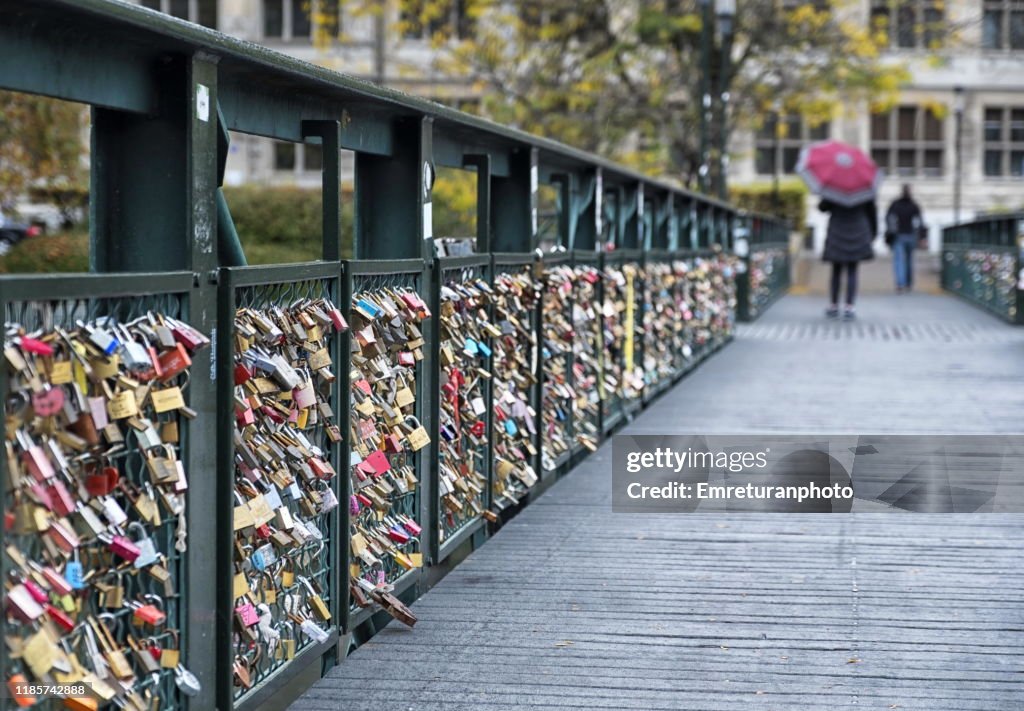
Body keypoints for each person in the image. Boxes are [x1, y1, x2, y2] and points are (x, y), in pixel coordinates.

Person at [820, 199, 877, 320]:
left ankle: (834, 305)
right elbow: (872, 212)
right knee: (852, 270)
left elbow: (822, 207)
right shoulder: (863, 189)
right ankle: (849, 306)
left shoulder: (834, 188)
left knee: (836, 270)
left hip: (837, 230)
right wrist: (873, 233)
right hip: (857, 230)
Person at [885, 185, 924, 292]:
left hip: (899, 235)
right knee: (909, 260)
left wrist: (890, 232)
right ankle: (908, 283)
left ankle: (900, 283)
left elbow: (889, 218)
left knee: (899, 260)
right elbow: (920, 221)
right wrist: (921, 236)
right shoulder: (914, 205)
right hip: (910, 235)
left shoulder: (895, 204)